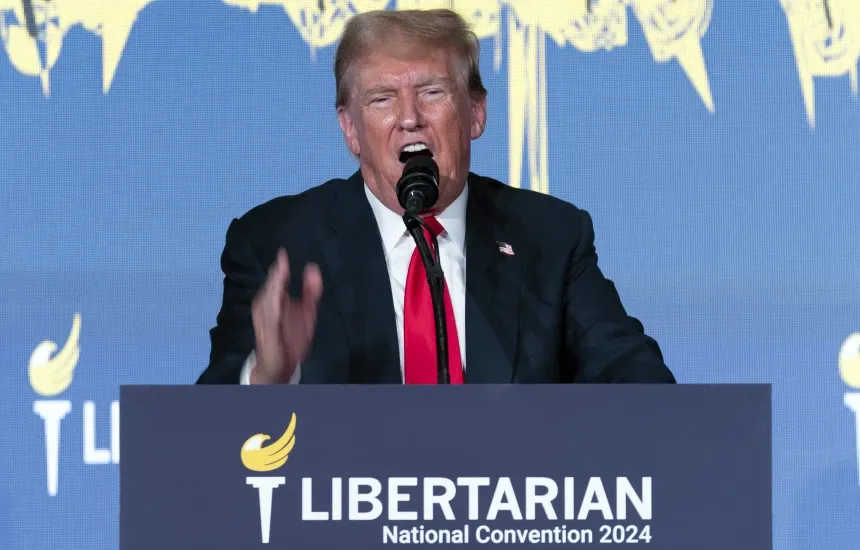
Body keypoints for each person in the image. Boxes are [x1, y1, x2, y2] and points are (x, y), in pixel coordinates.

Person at [196, 9, 675, 385]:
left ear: (475, 113)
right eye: (382, 98)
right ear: (350, 129)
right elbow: (206, 433)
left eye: (431, 92)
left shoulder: (549, 236)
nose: (410, 118)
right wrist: (268, 377)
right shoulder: (274, 242)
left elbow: (636, 378)